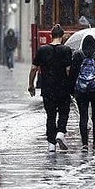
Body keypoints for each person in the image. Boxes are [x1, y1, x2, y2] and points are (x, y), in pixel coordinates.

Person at [28, 24, 72, 152]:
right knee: (64, 112)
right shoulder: (66, 50)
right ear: (62, 36)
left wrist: (31, 85)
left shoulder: (42, 50)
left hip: (47, 89)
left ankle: (51, 144)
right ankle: (61, 132)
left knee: (50, 115)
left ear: (50, 36)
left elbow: (33, 68)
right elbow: (68, 69)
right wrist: (71, 85)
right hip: (63, 88)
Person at [68, 35, 95, 151]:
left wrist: (71, 90)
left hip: (81, 91)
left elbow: (73, 74)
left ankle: (84, 144)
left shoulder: (77, 55)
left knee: (83, 116)